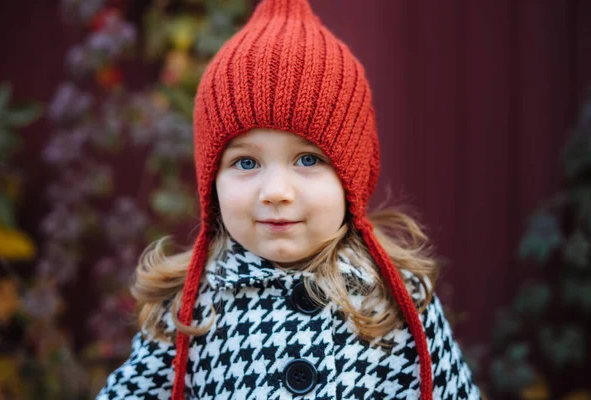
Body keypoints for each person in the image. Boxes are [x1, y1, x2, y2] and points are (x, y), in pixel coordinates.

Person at [97, 0, 481, 399]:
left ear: (351, 175)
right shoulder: (188, 309)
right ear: (211, 182)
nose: (276, 192)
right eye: (246, 162)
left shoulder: (398, 301)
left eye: (308, 159)